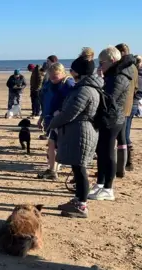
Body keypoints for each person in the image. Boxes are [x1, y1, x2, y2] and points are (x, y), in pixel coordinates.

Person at [50, 52, 101, 218]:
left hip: (82, 132)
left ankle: (81, 206)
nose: (70, 72)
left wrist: (53, 123)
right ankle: (78, 199)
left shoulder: (84, 90)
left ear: (78, 72)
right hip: (79, 131)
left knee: (80, 170)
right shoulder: (85, 87)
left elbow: (70, 113)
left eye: (72, 69)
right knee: (77, 168)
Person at [88, 46, 134, 201]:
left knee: (108, 153)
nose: (100, 66)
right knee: (101, 152)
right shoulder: (112, 73)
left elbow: (109, 98)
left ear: (112, 61)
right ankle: (100, 183)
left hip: (113, 119)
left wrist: (100, 81)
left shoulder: (120, 76)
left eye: (102, 62)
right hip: (106, 117)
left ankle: (108, 188)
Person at [36, 63, 75, 180]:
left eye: (56, 75)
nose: (53, 77)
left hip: (63, 120)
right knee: (51, 144)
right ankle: (52, 170)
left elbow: (73, 102)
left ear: (63, 73)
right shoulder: (48, 85)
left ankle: (74, 171)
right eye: (50, 75)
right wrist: (42, 117)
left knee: (65, 146)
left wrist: (61, 111)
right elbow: (45, 103)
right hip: (50, 119)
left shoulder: (68, 84)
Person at [115, 44, 139, 174]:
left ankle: (125, 164)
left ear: (122, 53)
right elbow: (136, 87)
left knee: (122, 135)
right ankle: (127, 163)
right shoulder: (134, 67)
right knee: (124, 134)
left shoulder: (124, 67)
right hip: (130, 104)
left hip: (124, 105)